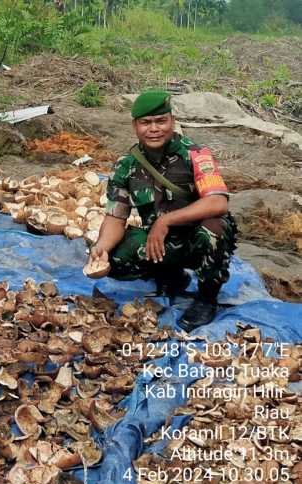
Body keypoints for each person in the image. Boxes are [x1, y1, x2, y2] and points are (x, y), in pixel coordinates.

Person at [88, 90, 237, 331]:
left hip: (194, 238)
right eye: (146, 123)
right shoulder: (125, 165)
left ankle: (207, 298)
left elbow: (218, 202)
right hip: (160, 243)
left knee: (214, 227)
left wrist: (165, 220)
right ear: (135, 126)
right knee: (114, 258)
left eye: (161, 121)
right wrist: (101, 248)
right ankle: (173, 277)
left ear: (172, 122)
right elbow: (116, 216)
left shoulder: (195, 154)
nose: (154, 129)